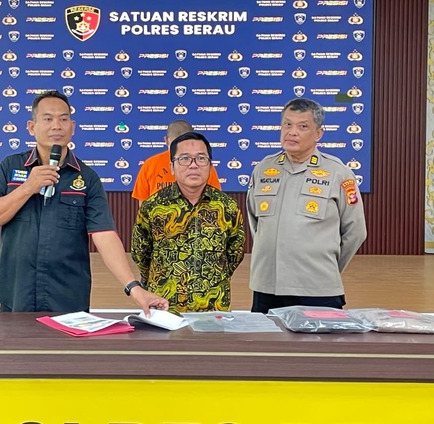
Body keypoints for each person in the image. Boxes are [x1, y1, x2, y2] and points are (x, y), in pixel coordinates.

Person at [0, 90, 168, 315]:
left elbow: (104, 235)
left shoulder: (87, 178)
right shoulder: (10, 167)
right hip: (17, 295)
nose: (57, 126)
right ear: (31, 127)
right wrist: (28, 187)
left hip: (68, 300)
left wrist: (133, 287)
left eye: (63, 119)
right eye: (48, 119)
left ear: (73, 127)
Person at [246, 98, 367, 313]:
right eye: (287, 124)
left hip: (317, 288)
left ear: (318, 133)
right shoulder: (263, 169)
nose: (292, 132)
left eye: (302, 126)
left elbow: (355, 231)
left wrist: (326, 267)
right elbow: (256, 224)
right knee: (265, 336)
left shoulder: (338, 173)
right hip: (267, 286)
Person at [131, 131, 245, 313]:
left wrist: (212, 277)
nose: (193, 165)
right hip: (163, 306)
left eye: (201, 158)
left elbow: (235, 252)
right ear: (172, 166)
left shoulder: (227, 207)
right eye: (184, 159)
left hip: (214, 307)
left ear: (210, 165)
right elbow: (140, 253)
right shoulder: (153, 207)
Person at [131, 120, 221, 205]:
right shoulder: (203, 164)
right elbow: (216, 200)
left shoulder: (150, 164)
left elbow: (142, 204)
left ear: (166, 140)